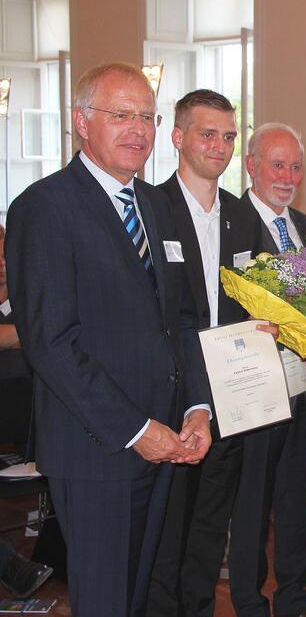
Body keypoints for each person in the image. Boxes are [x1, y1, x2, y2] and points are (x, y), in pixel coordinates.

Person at [4, 62, 211, 617]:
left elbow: (184, 320)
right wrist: (136, 430)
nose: (137, 130)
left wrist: (196, 406)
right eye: (120, 115)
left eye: (146, 116)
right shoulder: (44, 208)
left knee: (138, 595)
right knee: (104, 600)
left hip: (168, 437)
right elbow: (50, 343)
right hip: (99, 445)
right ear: (81, 122)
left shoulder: (160, 205)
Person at [147, 89, 266, 617]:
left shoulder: (243, 217)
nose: (219, 146)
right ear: (178, 137)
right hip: (171, 398)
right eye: (207, 133)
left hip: (231, 396)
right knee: (165, 529)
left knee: (209, 527)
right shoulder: (151, 210)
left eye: (228, 136)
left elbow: (257, 297)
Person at [229, 123, 306, 617]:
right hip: (254, 385)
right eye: (277, 164)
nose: (287, 176)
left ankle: (293, 594)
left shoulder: (302, 224)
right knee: (252, 502)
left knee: (296, 497)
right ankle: (247, 598)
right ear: (253, 165)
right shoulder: (232, 220)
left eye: (296, 166)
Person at [0, 224, 32, 447]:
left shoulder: (27, 292)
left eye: (4, 255)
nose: (2, 263)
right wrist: (33, 334)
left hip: (26, 414)